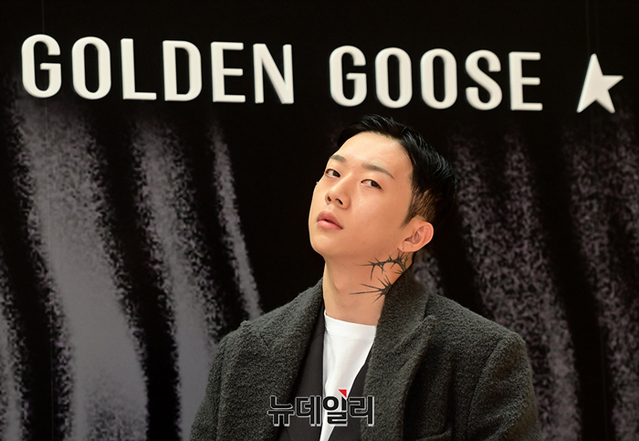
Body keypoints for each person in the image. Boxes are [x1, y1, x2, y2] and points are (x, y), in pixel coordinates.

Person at [191, 115, 541, 440]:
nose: (336, 193)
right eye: (333, 172)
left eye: (371, 182)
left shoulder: (480, 357)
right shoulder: (242, 352)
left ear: (414, 236)